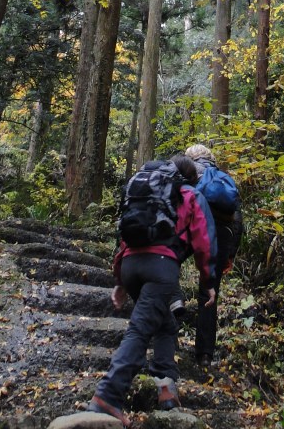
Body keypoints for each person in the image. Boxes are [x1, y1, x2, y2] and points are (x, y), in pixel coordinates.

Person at [87, 154, 218, 424]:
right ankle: (108, 396)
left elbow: (124, 236)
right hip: (160, 269)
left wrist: (120, 280)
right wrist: (208, 281)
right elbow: (204, 242)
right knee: (139, 329)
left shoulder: (149, 191)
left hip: (131, 266)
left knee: (165, 323)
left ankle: (166, 390)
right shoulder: (189, 195)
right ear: (192, 178)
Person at [185, 144, 243, 368]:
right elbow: (237, 219)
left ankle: (166, 338)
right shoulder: (223, 178)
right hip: (220, 236)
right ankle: (205, 354)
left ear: (190, 157)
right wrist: (231, 253)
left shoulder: (189, 172)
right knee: (209, 292)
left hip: (191, 229)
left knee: (167, 276)